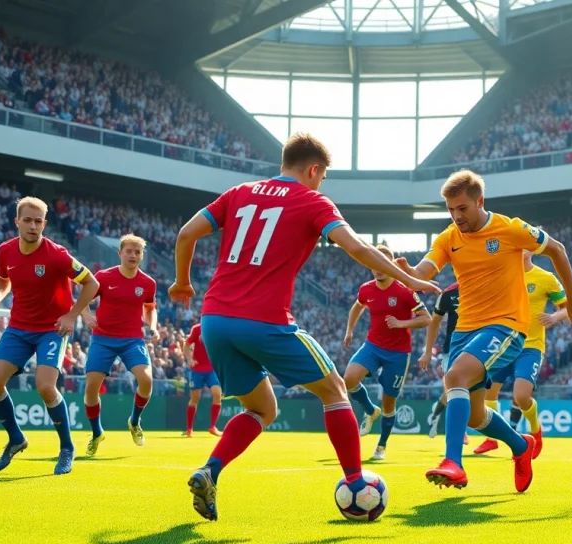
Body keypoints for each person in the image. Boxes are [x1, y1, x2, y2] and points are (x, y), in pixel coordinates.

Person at [168, 132, 439, 521]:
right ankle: (355, 482)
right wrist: (410, 279)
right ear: (314, 169)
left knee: (262, 408)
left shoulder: (239, 192)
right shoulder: (313, 201)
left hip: (214, 321)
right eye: (322, 176)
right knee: (335, 390)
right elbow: (358, 247)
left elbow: (186, 234)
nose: (321, 184)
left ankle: (210, 470)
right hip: (264, 320)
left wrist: (182, 282)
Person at [394, 169, 572, 492]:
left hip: (506, 325)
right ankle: (521, 446)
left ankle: (453, 462)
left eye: (462, 208)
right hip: (464, 331)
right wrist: (407, 272)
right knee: (474, 416)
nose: (456, 216)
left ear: (480, 201)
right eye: (451, 209)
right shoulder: (448, 238)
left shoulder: (509, 229)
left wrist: (571, 296)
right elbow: (422, 271)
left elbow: (557, 249)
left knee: (454, 377)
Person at [0, 196, 100, 475]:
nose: (33, 226)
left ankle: (67, 448)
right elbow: (3, 279)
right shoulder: (5, 251)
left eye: (38, 221)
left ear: (45, 224)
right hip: (19, 328)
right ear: (17, 221)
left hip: (51, 329)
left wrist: (71, 315)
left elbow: (91, 283)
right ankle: (15, 438)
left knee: (45, 386)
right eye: (28, 220)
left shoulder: (57, 254)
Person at [475, 249, 568, 457]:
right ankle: (492, 439)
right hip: (504, 344)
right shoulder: (503, 275)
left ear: (532, 250)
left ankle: (536, 429)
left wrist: (554, 317)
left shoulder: (545, 278)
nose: (519, 250)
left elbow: (566, 307)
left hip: (530, 347)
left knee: (522, 396)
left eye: (523, 246)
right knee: (488, 393)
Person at [344, 244, 432, 460]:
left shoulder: (404, 291)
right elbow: (357, 306)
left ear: (390, 264)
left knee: (389, 403)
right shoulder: (366, 289)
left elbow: (426, 318)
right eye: (374, 264)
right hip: (373, 346)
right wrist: (349, 330)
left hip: (398, 354)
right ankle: (370, 410)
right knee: (349, 378)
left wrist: (402, 323)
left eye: (382, 263)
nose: (378, 268)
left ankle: (381, 446)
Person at [80, 234, 158, 457]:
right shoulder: (103, 277)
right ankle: (97, 433)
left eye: (137, 252)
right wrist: (86, 315)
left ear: (142, 256)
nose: (133, 255)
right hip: (102, 339)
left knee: (146, 380)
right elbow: (83, 299)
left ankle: (134, 421)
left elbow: (150, 308)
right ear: (120, 253)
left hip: (132, 339)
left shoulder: (148, 283)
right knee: (91, 387)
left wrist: (152, 326)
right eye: (129, 251)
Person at [420, 284, 467, 445]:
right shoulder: (448, 294)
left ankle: (435, 413)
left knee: (463, 392)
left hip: (476, 349)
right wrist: (428, 351)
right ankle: (459, 432)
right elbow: (435, 321)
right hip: (451, 351)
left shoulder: (485, 288)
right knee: (455, 391)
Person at [184, 322, 223, 438]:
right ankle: (189, 429)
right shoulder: (197, 329)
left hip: (212, 369)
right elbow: (187, 344)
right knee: (195, 398)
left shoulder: (218, 328)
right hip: (197, 369)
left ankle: (212, 427)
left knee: (217, 394)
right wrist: (189, 359)